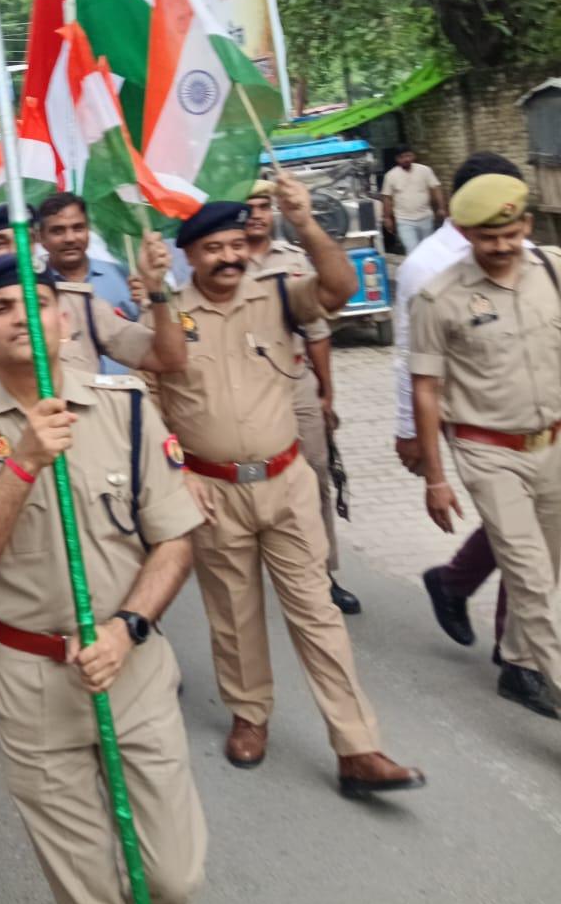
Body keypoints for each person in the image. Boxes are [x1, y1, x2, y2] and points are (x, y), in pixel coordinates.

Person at [0, 260, 208, 904]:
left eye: (38, 300)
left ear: (63, 317)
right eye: (0, 307)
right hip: (31, 683)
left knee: (171, 881)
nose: (22, 314)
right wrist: (22, 463)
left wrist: (128, 626)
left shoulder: (126, 407)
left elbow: (174, 540)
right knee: (93, 900)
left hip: (131, 666)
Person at [154, 185, 425, 793]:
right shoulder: (170, 314)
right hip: (213, 490)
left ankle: (357, 746)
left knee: (317, 613)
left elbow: (340, 289)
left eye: (233, 244)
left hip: (286, 481)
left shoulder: (278, 294)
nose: (227, 256)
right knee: (233, 614)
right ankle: (250, 716)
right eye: (212, 249)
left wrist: (303, 222)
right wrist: (177, 474)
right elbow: (150, 407)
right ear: (190, 256)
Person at [410, 173, 561, 720]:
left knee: (550, 565)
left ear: (526, 222)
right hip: (488, 451)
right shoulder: (439, 297)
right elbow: (425, 388)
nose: (499, 247)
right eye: (484, 237)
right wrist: (435, 477)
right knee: (532, 576)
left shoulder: (553, 269)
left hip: (553, 443)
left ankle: (520, 664)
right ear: (464, 232)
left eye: (509, 233)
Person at [396, 155, 527, 655]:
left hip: (532, 411)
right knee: (520, 532)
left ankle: (454, 584)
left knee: (522, 526)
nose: (503, 234)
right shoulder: (426, 266)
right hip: (472, 419)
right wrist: (413, 437)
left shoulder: (529, 252)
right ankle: (516, 650)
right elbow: (409, 360)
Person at [243, 179, 358, 616]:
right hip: (246, 389)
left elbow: (317, 330)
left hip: (295, 379)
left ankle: (324, 571)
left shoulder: (291, 260)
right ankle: (264, 564)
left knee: (315, 474)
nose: (255, 214)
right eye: (248, 207)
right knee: (255, 476)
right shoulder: (226, 262)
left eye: (261, 206)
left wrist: (325, 390)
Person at [0, 207, 185, 399]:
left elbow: (168, 359)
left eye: (24, 240)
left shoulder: (78, 305)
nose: (16, 251)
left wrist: (157, 290)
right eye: (0, 243)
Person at [37, 193, 141, 374]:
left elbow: (147, 336)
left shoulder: (120, 275)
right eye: (58, 230)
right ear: (41, 238)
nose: (70, 238)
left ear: (88, 230)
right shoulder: (34, 289)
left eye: (78, 228)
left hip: (124, 397)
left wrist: (151, 300)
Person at [381, 147, 445, 254]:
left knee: (427, 250)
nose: (406, 159)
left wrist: (441, 208)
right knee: (412, 250)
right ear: (397, 159)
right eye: (402, 157)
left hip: (425, 217)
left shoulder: (425, 170)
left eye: (408, 156)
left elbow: (436, 189)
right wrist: (387, 218)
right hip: (404, 220)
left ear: (413, 156)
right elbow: (387, 198)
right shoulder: (391, 175)